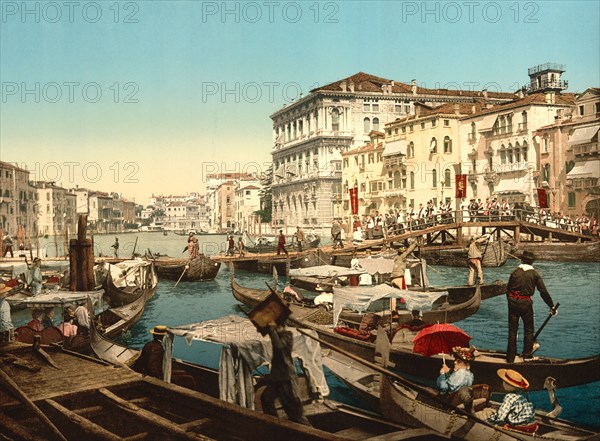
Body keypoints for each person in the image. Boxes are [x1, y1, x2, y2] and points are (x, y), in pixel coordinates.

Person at [505, 251, 556, 363]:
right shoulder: (535, 274)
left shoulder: (514, 272)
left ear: (522, 260)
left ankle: (510, 358)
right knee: (528, 330)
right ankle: (527, 356)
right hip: (525, 304)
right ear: (532, 262)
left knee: (512, 331)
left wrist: (510, 301)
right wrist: (551, 306)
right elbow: (543, 292)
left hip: (512, 302)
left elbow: (508, 290)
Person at [260, 322, 311, 426]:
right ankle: (274, 425)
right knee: (266, 398)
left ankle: (310, 431)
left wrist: (272, 331)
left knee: (294, 411)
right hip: (277, 377)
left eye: (278, 326)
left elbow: (279, 346)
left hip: (286, 377)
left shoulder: (287, 335)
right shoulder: (277, 335)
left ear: (282, 326)